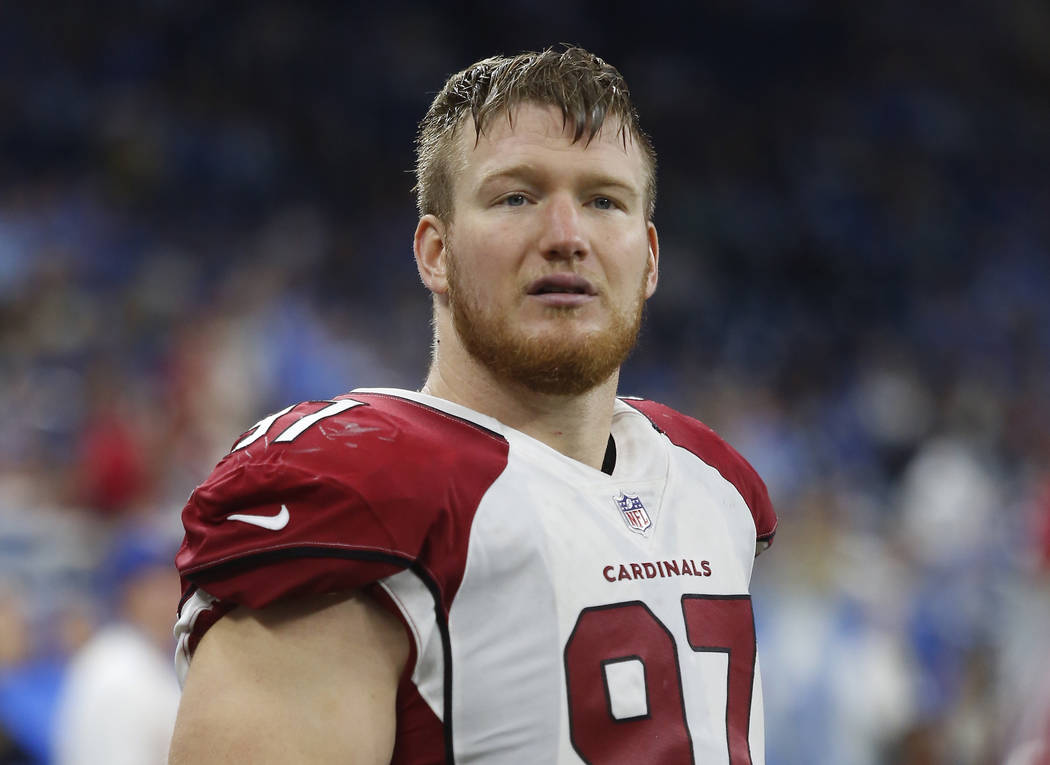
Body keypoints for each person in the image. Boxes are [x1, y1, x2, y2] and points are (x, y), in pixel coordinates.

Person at [168, 46, 777, 764]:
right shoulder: (355, 493)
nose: (566, 236)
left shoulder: (712, 484)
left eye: (603, 200)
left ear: (649, 258)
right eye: (516, 197)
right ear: (435, 251)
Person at [52, 528, 182, 765]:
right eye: (158, 588)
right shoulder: (116, 667)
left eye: (176, 584)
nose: (174, 598)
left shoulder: (143, 657)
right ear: (127, 594)